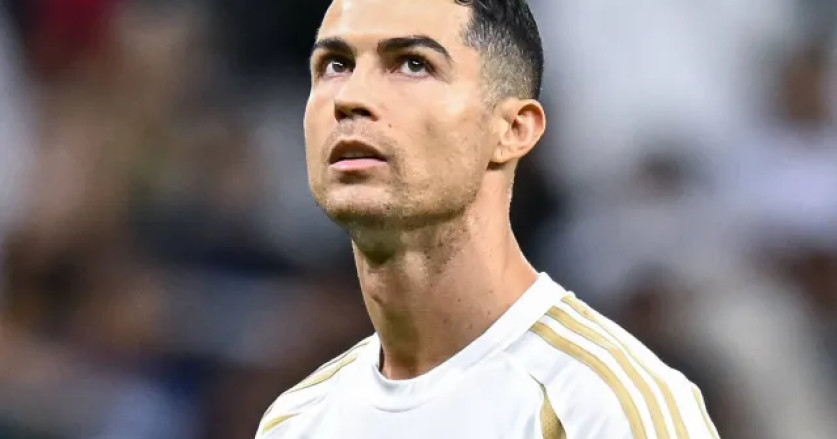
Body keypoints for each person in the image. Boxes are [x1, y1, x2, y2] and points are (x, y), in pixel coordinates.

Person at [256, 0, 720, 437]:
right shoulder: (295, 421)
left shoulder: (599, 405)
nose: (351, 97)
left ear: (513, 130)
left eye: (413, 64)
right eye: (335, 65)